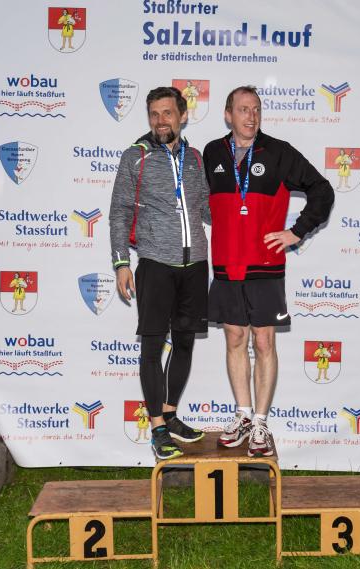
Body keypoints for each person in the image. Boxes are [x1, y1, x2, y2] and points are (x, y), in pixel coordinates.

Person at [204, 86, 334, 457]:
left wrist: (297, 231)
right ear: (228, 115)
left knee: (263, 342)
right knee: (234, 339)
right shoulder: (212, 152)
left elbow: (322, 190)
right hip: (226, 264)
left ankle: (260, 421)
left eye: (256, 109)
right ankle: (243, 415)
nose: (251, 116)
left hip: (265, 264)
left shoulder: (278, 152)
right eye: (243, 109)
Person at [110, 86, 210, 461]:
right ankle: (156, 428)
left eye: (167, 113)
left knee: (184, 343)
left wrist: (242, 212)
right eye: (154, 114)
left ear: (182, 115)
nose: (160, 121)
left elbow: (207, 209)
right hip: (154, 263)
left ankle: (170, 415)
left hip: (195, 264)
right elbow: (120, 212)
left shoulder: (195, 159)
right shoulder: (135, 157)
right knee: (152, 349)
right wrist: (121, 262)